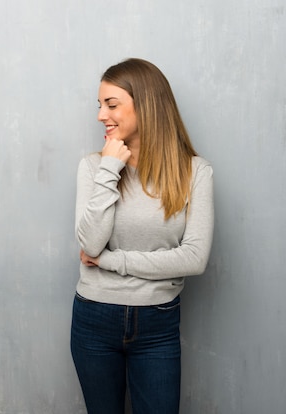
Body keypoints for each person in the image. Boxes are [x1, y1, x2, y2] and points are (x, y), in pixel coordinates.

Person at [70, 58, 214, 414]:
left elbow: (194, 258)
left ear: (146, 105)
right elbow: (89, 243)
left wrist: (110, 261)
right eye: (100, 105)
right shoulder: (93, 167)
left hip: (158, 322)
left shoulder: (195, 172)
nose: (101, 115)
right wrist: (109, 169)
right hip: (94, 318)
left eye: (112, 104)